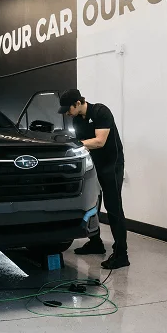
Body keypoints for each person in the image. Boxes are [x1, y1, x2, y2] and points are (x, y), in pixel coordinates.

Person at [58, 89, 129, 270]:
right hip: (94, 165)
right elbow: (84, 146)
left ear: (78, 103)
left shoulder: (100, 112)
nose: (67, 113)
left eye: (69, 109)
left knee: (113, 207)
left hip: (111, 165)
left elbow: (99, 141)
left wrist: (73, 144)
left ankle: (122, 254)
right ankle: (96, 242)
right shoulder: (77, 120)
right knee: (92, 205)